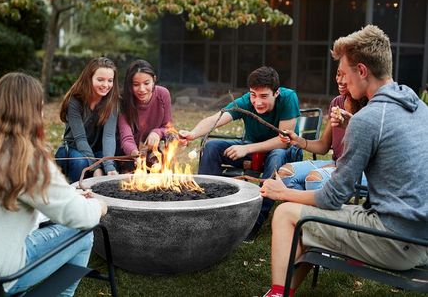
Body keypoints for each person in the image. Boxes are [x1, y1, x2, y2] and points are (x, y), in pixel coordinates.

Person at [260, 25, 428, 297]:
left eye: (345, 74)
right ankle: (280, 292)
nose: (343, 82)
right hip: (420, 235)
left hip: (395, 241)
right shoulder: (418, 107)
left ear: (362, 71)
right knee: (309, 227)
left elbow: (332, 198)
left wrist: (283, 193)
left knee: (286, 214)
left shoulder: (369, 118)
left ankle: (278, 295)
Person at [0, 72, 107, 296]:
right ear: (32, 112)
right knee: (84, 232)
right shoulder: (25, 159)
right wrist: (97, 207)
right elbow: (80, 217)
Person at [179, 66, 301, 240]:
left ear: (276, 93)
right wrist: (192, 134)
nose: (257, 102)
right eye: (253, 94)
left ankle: (252, 222)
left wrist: (246, 148)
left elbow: (283, 142)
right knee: (212, 146)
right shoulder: (245, 101)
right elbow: (216, 118)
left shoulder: (289, 98)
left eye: (264, 96)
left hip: (286, 153)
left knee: (276, 156)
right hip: (252, 149)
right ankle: (205, 206)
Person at [277, 69, 367, 191]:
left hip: (362, 171)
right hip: (336, 164)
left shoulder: (370, 107)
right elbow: (323, 146)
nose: (339, 80)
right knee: (285, 174)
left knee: (315, 179)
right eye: (338, 74)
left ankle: (318, 203)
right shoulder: (337, 103)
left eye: (345, 75)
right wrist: (297, 140)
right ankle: (314, 202)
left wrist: (338, 167)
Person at [55, 57, 120, 182]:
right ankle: (77, 195)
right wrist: (95, 167)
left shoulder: (112, 102)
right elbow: (80, 139)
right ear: (89, 78)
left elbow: (109, 136)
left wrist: (109, 166)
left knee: (111, 164)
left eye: (110, 81)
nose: (106, 85)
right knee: (81, 162)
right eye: (100, 80)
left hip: (97, 150)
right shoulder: (75, 101)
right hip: (73, 149)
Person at [117, 59, 172, 171]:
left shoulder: (163, 94)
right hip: (127, 153)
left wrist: (157, 132)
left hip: (152, 151)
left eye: (146, 83)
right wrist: (135, 154)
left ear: (154, 80)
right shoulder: (123, 100)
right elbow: (126, 138)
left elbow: (168, 128)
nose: (142, 89)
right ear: (130, 84)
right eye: (136, 84)